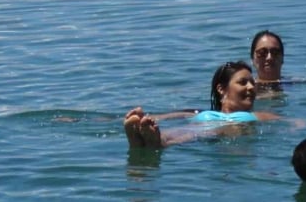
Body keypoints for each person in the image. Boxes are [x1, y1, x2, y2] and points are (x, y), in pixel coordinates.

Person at [122, 61, 285, 149]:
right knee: (188, 130)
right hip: (203, 128)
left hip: (215, 132)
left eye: (252, 83)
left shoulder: (258, 115)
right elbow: (163, 116)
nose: (251, 87)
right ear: (221, 89)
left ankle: (154, 141)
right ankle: (148, 138)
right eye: (243, 83)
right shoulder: (199, 112)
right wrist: (144, 117)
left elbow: (292, 122)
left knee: (207, 131)